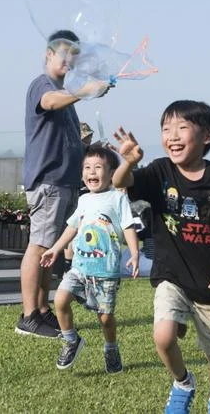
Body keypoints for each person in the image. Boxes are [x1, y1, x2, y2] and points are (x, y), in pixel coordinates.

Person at [112, 100, 210, 414]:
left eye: (182, 127)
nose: (172, 136)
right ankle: (182, 382)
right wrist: (127, 163)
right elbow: (121, 183)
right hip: (173, 276)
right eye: (166, 129)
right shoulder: (159, 171)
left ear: (206, 136)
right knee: (164, 337)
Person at [17, 30, 110, 338]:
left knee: (49, 251)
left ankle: (42, 310)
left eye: (74, 55)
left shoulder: (67, 97)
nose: (69, 60)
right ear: (48, 56)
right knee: (39, 245)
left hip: (65, 183)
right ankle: (28, 315)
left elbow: (70, 140)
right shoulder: (42, 85)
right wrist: (85, 90)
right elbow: (48, 101)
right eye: (64, 53)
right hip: (49, 182)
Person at [40, 146, 139, 373]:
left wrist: (134, 252)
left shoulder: (117, 197)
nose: (91, 172)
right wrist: (55, 249)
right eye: (87, 167)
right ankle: (71, 340)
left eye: (98, 167)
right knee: (61, 300)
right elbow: (72, 226)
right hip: (79, 268)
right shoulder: (84, 199)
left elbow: (128, 226)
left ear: (112, 173)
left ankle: (111, 348)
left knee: (105, 318)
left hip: (105, 271)